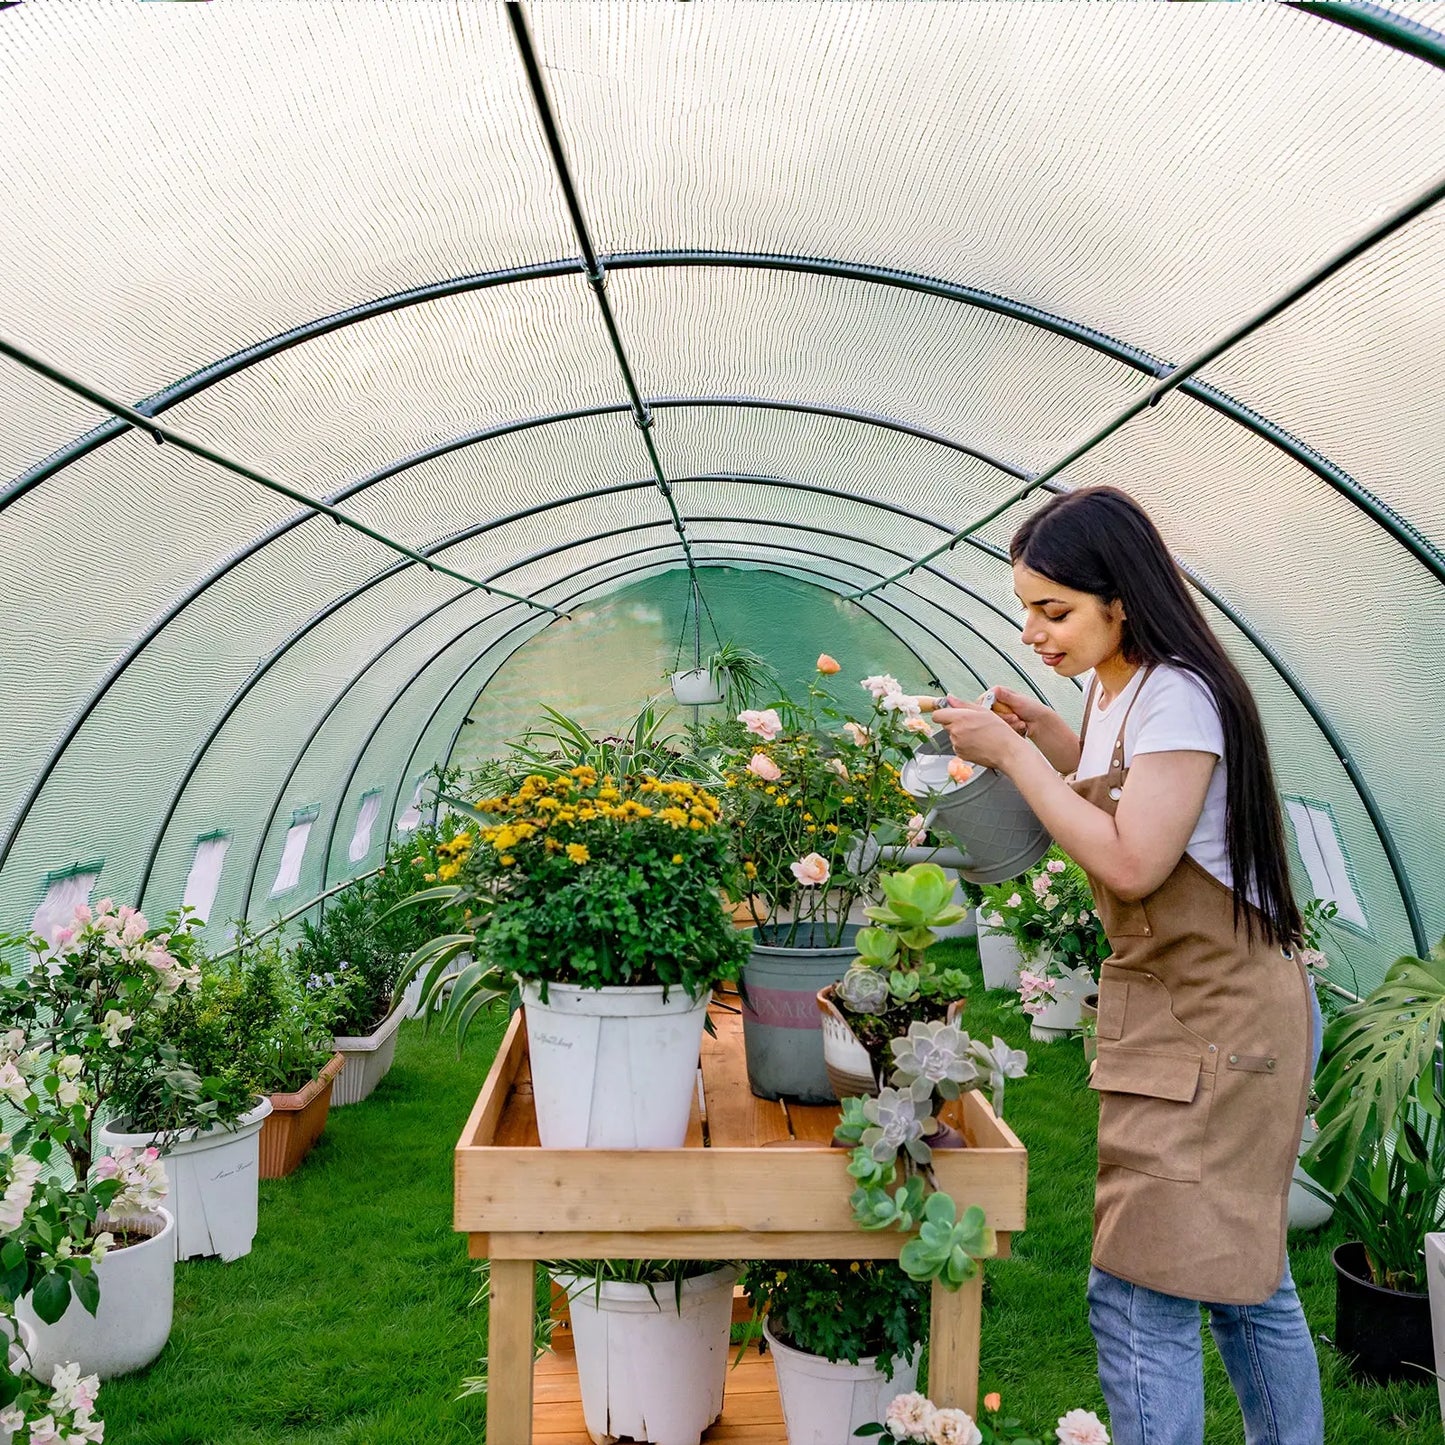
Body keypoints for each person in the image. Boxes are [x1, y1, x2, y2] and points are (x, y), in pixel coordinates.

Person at [932, 486, 1324, 1445]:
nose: (1032, 629)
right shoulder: (1122, 689)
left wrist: (1016, 764)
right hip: (1185, 1012)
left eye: (1052, 608)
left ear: (1123, 598)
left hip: (1222, 1025)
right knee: (1241, 1274)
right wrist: (1050, 740)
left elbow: (1132, 859)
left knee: (1141, 1283)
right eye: (1025, 606)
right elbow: (1127, 800)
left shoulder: (1179, 692)